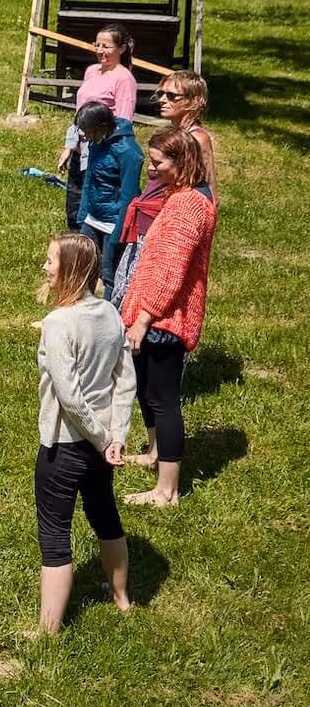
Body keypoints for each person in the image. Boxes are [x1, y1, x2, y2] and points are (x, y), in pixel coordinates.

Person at [33, 231, 137, 634]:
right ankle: (122, 598)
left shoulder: (61, 324)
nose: (45, 266)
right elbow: (124, 379)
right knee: (104, 515)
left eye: (51, 261)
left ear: (71, 270)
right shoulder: (110, 313)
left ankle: (48, 630)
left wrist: (100, 436)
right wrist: (117, 436)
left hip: (65, 445)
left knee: (55, 534)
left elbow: (69, 394)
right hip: (101, 448)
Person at [113, 127, 217, 507]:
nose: (152, 170)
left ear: (183, 162)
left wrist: (144, 317)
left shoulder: (189, 205)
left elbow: (170, 270)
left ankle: (167, 489)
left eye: (158, 164)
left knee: (164, 399)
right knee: (148, 391)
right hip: (153, 314)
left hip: (165, 319)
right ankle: (156, 453)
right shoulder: (181, 198)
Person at [60, 25, 137, 227]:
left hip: (101, 152)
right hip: (80, 149)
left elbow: (123, 122)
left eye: (107, 46)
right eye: (97, 45)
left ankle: (90, 252)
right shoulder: (91, 71)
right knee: (73, 207)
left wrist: (109, 156)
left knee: (90, 209)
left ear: (121, 49)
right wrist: (69, 146)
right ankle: (74, 252)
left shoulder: (124, 79)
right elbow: (80, 113)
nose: (100, 51)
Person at [74, 102, 143, 291]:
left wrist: (119, 233)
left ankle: (109, 317)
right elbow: (89, 179)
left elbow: (129, 196)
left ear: (102, 126)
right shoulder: (97, 142)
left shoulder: (129, 152)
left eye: (88, 131)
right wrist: (83, 214)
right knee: (81, 266)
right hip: (93, 217)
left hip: (113, 222)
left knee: (109, 275)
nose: (86, 137)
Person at [155, 70, 217, 196]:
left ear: (193, 101)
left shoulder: (197, 138)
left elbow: (209, 185)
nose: (162, 100)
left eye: (171, 96)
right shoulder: (171, 133)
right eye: (161, 93)